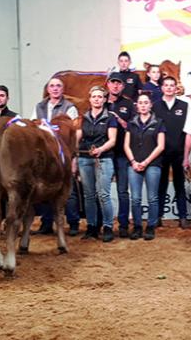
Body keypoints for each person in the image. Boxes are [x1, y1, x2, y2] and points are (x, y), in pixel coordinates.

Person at [33, 77, 80, 235]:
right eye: (52, 86)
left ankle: (73, 223)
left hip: (64, 153)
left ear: (63, 89)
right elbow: (34, 127)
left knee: (69, 189)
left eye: (58, 86)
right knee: (46, 187)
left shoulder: (69, 107)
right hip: (46, 154)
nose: (55, 89)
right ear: (48, 89)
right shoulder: (39, 106)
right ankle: (46, 224)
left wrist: (74, 158)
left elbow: (74, 133)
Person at [77, 86, 119, 242]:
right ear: (90, 99)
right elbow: (78, 137)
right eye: (94, 96)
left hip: (103, 159)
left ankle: (108, 227)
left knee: (104, 195)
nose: (96, 99)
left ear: (104, 99)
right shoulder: (83, 118)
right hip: (85, 158)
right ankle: (92, 227)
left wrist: (100, 149)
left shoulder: (110, 118)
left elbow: (113, 140)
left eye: (100, 97)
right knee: (88, 195)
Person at [153, 76, 191, 227]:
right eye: (167, 85)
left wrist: (186, 157)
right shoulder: (155, 106)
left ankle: (183, 217)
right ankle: (157, 217)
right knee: (160, 185)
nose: (169, 88)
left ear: (176, 88)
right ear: (162, 88)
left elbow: (189, 132)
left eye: (172, 85)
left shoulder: (185, 106)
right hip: (160, 153)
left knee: (180, 185)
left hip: (178, 153)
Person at [125, 93, 166, 240]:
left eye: (145, 102)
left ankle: (150, 226)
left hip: (153, 164)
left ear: (150, 105)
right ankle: (137, 226)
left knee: (152, 198)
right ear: (137, 106)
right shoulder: (131, 123)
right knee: (135, 198)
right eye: (140, 103)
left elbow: (161, 146)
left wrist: (146, 162)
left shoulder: (159, 122)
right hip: (134, 164)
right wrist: (134, 162)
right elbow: (126, 145)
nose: (143, 105)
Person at [106, 73, 138, 238]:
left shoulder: (128, 104)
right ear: (108, 85)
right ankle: (102, 225)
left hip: (122, 154)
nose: (115, 86)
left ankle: (124, 225)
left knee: (122, 191)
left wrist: (119, 119)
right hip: (104, 154)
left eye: (119, 84)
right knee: (102, 191)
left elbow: (133, 128)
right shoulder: (100, 101)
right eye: (113, 83)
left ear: (123, 86)